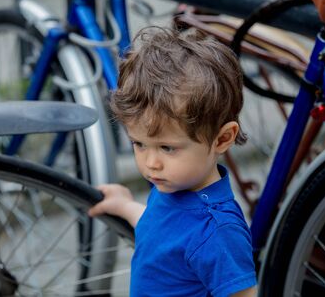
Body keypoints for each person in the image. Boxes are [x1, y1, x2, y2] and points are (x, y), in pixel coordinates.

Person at [88, 26, 257, 297]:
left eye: (167, 148)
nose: (151, 163)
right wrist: (127, 206)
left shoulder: (217, 231)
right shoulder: (174, 185)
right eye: (139, 144)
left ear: (222, 139)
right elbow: (164, 232)